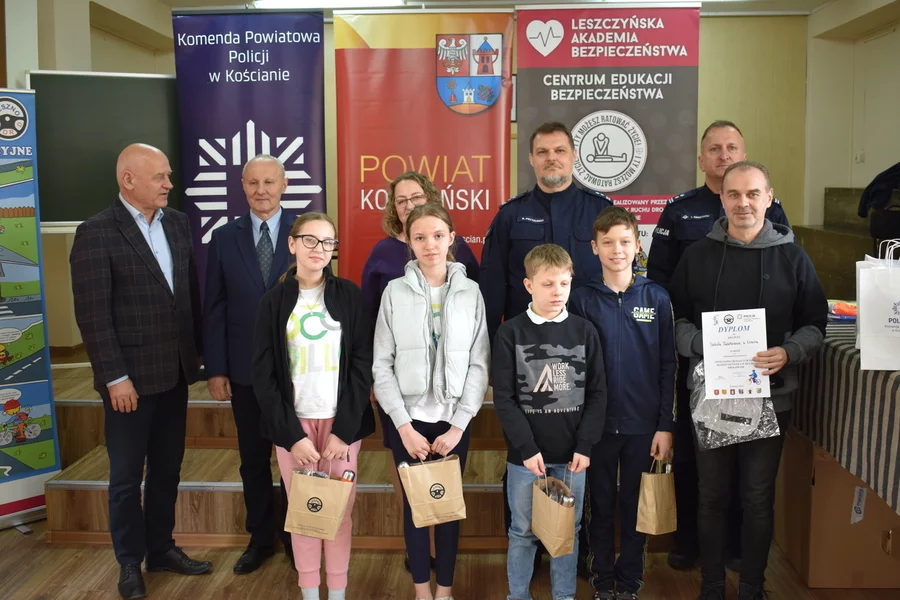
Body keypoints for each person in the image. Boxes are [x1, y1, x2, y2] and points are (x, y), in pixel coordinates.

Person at [668, 161, 827, 600]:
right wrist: (698, 343)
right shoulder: (696, 256)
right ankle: (712, 586)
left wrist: (789, 351)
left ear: (769, 198)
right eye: (734, 194)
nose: (744, 203)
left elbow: (815, 324)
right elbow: (674, 319)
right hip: (711, 398)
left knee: (757, 496)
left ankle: (753, 588)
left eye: (753, 194)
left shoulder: (793, 257)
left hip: (772, 397)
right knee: (712, 495)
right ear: (721, 199)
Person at [646, 120, 791, 571]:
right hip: (700, 360)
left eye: (731, 148)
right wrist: (686, 340)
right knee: (698, 459)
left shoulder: (772, 213)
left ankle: (737, 550)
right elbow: (661, 283)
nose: (723, 155)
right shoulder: (681, 211)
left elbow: (784, 271)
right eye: (714, 148)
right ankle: (692, 543)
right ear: (701, 158)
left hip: (757, 366)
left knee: (750, 467)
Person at [70, 143, 210, 600]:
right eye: (160, 177)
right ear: (128, 180)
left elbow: (186, 295)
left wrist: (199, 355)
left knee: (168, 468)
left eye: (168, 175)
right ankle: (130, 562)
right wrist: (115, 377)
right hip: (128, 381)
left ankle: (161, 548)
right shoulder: (96, 232)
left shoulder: (178, 223)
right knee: (127, 478)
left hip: (175, 373)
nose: (170, 184)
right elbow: (93, 316)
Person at [361, 171, 480, 572]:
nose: (409, 204)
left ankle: (440, 563)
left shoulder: (462, 263)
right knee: (409, 483)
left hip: (450, 402)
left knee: (444, 489)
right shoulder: (383, 257)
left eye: (416, 197)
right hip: (400, 391)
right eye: (401, 200)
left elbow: (473, 330)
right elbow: (371, 321)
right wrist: (378, 383)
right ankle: (418, 555)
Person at [252, 212, 375, 600]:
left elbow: (362, 365)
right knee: (306, 514)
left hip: (341, 427)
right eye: (310, 240)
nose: (319, 249)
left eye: (327, 242)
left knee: (338, 514)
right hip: (296, 427)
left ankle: (337, 591)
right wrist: (291, 437)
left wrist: (344, 432)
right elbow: (263, 375)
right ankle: (309, 591)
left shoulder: (349, 296)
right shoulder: (273, 302)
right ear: (292, 244)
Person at [569, 207, 676, 600]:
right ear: (594, 247)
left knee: (634, 505)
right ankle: (602, 580)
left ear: (637, 246)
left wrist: (665, 425)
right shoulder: (581, 299)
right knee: (599, 506)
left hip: (643, 426)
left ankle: (629, 582)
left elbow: (668, 365)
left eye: (625, 242)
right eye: (608, 242)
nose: (617, 250)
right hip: (595, 427)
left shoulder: (656, 297)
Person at [492, 244, 607, 600]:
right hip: (526, 459)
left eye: (563, 283)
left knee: (567, 532)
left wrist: (585, 446)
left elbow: (597, 393)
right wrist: (526, 449)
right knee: (522, 531)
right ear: (529, 285)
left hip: (573, 458)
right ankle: (518, 595)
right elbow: (504, 399)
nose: (557, 292)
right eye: (547, 284)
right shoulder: (510, 333)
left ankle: (564, 596)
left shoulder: (584, 331)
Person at [203, 154, 296, 573]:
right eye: (253, 183)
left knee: (296, 459)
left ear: (284, 184)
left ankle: (296, 538)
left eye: (269, 182)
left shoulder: (305, 232)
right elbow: (215, 307)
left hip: (296, 372)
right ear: (242, 186)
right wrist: (216, 369)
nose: (262, 191)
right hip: (243, 371)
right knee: (253, 460)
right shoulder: (224, 238)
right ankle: (260, 539)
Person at [480, 121, 613, 343]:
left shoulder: (600, 211)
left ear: (574, 155)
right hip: (525, 339)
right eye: (542, 152)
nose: (551, 158)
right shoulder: (510, 214)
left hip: (590, 335)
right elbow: (491, 282)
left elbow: (619, 274)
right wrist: (491, 345)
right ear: (531, 159)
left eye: (560, 151)